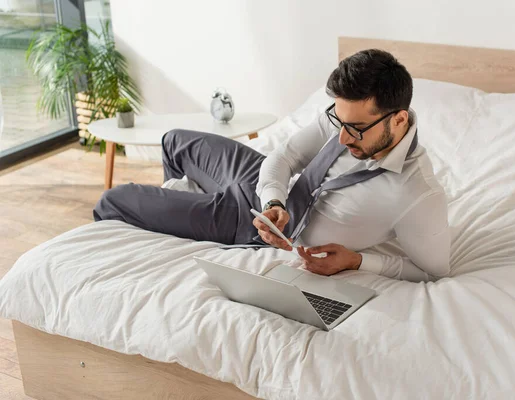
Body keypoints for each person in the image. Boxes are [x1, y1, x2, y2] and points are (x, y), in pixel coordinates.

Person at [94, 49, 450, 282]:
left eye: (355, 130)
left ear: (399, 120)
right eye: (337, 122)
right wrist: (274, 202)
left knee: (113, 200)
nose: (341, 138)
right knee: (174, 141)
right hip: (266, 195)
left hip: (253, 230)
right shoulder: (347, 117)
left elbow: (432, 272)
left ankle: (193, 214)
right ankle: (182, 203)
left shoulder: (418, 193)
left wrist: (358, 262)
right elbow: (285, 158)